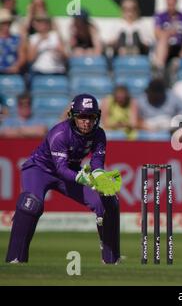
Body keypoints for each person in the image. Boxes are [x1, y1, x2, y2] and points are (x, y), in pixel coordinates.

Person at [5, 94, 122, 264]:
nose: (87, 122)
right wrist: (83, 178)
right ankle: (15, 259)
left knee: (108, 200)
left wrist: (99, 176)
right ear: (72, 116)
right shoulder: (60, 133)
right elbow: (60, 168)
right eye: (82, 116)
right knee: (31, 204)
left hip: (71, 170)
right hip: (40, 169)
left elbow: (97, 161)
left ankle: (111, 260)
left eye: (91, 117)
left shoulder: (99, 135)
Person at [0, 8, 26, 74]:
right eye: (4, 23)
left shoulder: (16, 38)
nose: (6, 25)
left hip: (12, 72)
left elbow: (22, 56)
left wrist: (16, 67)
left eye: (8, 23)